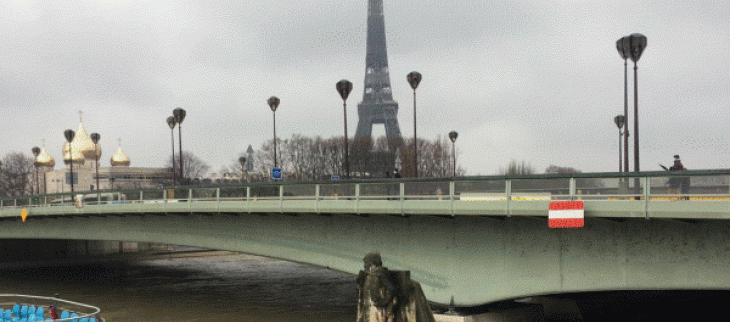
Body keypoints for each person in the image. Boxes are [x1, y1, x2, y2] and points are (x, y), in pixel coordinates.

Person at [357, 252, 396, 322]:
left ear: (372, 262)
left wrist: (383, 302)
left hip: (376, 309)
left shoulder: (380, 274)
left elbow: (391, 289)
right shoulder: (370, 275)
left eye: (366, 262)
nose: (365, 265)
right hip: (369, 306)